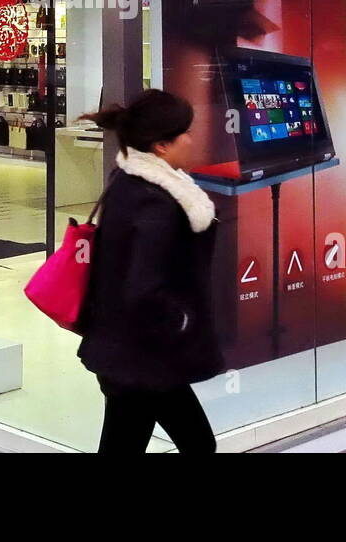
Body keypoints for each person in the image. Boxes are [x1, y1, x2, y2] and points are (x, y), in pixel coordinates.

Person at [77, 89, 223, 454]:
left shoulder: (127, 182)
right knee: (199, 445)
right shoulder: (157, 203)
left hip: (124, 352)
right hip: (145, 359)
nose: (192, 139)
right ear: (161, 145)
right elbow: (143, 289)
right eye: (184, 133)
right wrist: (183, 321)